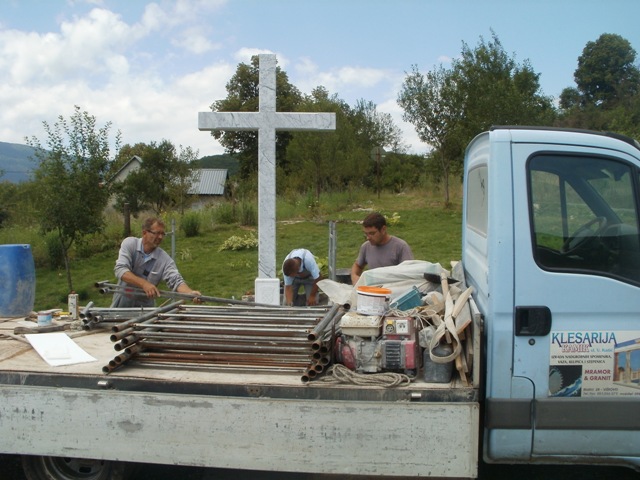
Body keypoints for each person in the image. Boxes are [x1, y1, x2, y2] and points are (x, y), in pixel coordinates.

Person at [111, 217, 201, 308]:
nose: (160, 237)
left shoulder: (164, 259)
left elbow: (176, 280)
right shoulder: (130, 244)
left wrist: (189, 293)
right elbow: (120, 270)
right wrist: (144, 284)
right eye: (157, 233)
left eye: (162, 234)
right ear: (144, 233)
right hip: (121, 304)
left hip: (146, 309)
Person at [351, 212, 414, 284]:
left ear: (383, 229)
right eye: (366, 234)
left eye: (372, 233)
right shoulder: (366, 247)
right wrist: (354, 277)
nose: (368, 238)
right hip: (374, 289)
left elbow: (410, 273)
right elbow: (357, 265)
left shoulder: (400, 246)